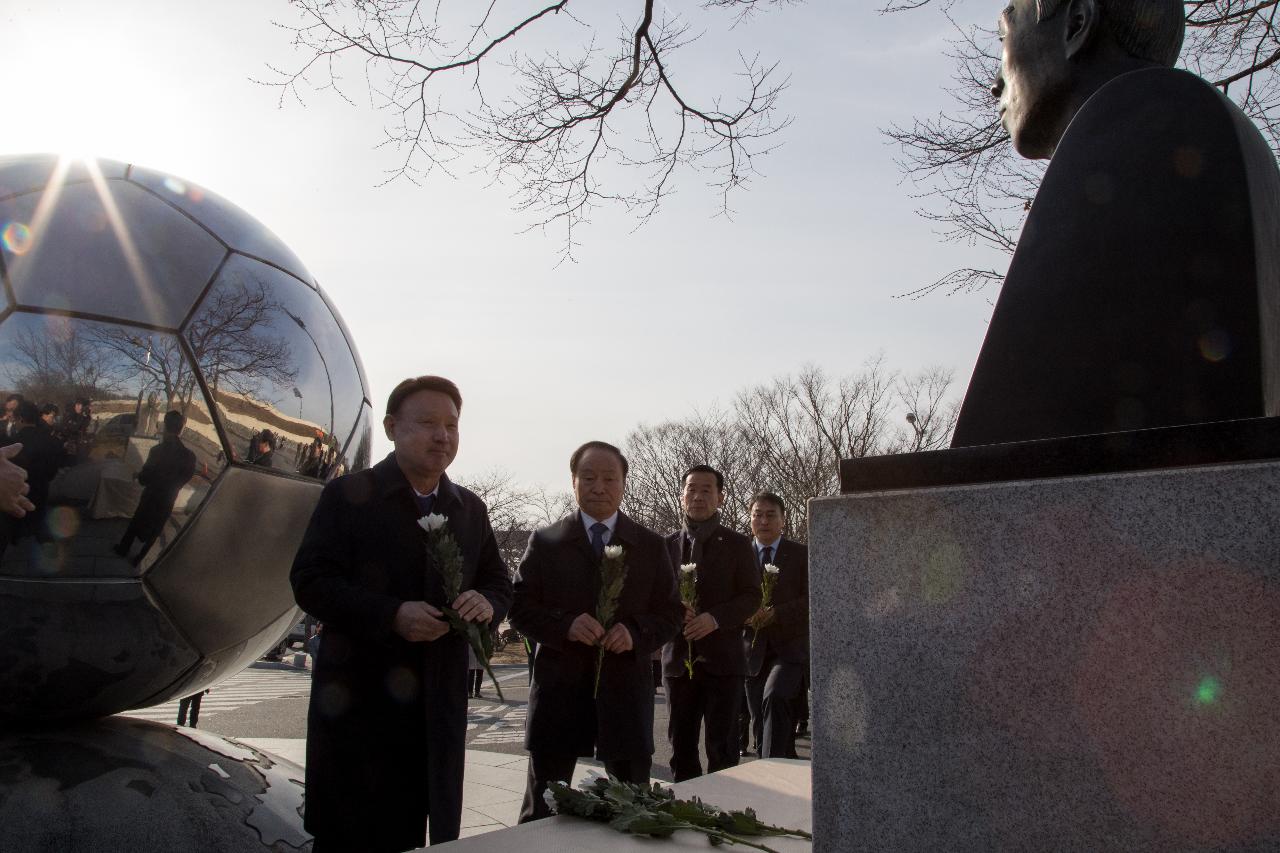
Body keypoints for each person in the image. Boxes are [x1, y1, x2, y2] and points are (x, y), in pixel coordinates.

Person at [291, 375, 512, 851]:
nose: (443, 436)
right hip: (359, 705)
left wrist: (487, 604)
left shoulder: (469, 509)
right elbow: (310, 581)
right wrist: (391, 614)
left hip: (437, 708)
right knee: (354, 833)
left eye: (452, 425)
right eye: (428, 423)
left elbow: (498, 581)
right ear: (392, 427)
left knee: (422, 832)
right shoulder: (350, 495)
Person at [510, 440, 683, 822]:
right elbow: (519, 606)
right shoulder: (545, 541)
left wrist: (636, 633)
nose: (598, 487)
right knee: (542, 810)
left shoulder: (651, 546)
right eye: (588, 477)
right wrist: (564, 625)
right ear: (573, 482)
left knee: (636, 811)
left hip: (624, 693)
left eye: (609, 478)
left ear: (624, 483)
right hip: (559, 692)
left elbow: (671, 613)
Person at [662, 465, 760, 782]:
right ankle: (683, 815)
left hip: (724, 662)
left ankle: (722, 815)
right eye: (692, 489)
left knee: (723, 750)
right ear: (681, 496)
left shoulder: (738, 544)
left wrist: (715, 618)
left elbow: (751, 596)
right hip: (678, 663)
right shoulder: (664, 547)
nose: (698, 496)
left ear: (721, 497)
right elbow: (650, 598)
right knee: (682, 749)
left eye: (707, 490)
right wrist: (675, 610)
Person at [741, 491, 809, 760]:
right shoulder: (740, 554)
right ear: (750, 519)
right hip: (752, 651)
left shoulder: (800, 554)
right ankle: (781, 760)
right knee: (760, 718)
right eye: (757, 515)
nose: (764, 521)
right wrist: (745, 614)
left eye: (770, 515)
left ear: (783, 519)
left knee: (775, 696)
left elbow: (812, 598)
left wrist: (777, 613)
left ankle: (769, 766)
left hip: (789, 650)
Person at [114, 411, 196, 565]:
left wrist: (140, 476)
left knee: (136, 522)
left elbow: (145, 478)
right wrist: (174, 486)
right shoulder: (189, 456)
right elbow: (186, 476)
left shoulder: (157, 451)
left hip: (151, 495)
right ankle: (140, 557)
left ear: (165, 426)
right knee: (157, 528)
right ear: (180, 429)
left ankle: (123, 549)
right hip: (168, 497)